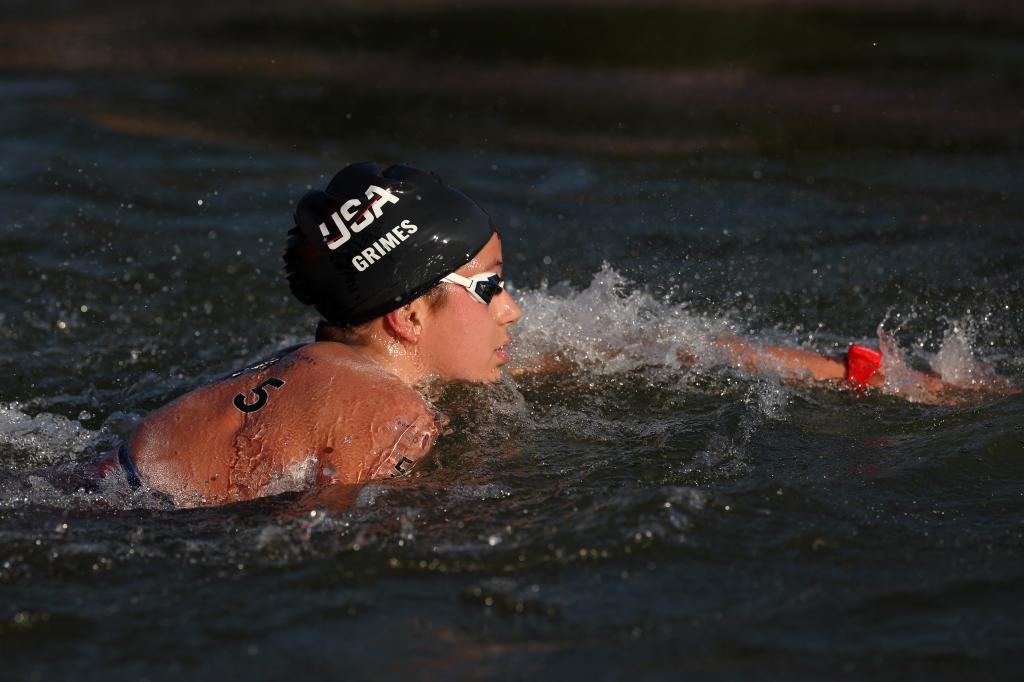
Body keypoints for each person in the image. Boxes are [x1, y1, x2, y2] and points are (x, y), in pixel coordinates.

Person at [94, 162, 997, 508]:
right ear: (410, 314)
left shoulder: (302, 363)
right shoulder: (394, 417)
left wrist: (856, 372)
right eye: (490, 288)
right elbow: (319, 557)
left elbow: (658, 346)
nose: (516, 310)